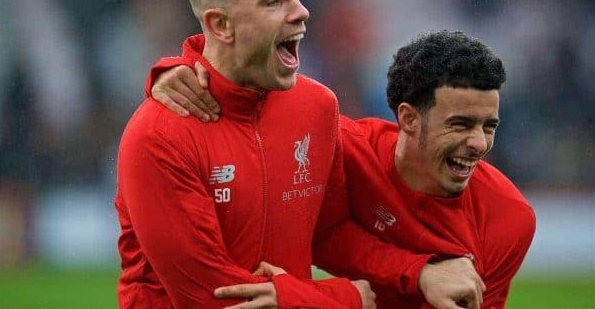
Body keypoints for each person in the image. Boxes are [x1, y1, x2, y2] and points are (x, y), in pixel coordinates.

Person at [117, 0, 484, 309]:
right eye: (275, 0)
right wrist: (344, 299)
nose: (301, 11)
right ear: (221, 25)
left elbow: (330, 234)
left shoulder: (316, 106)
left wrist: (419, 272)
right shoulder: (160, 135)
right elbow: (213, 300)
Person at [148, 30, 536, 308]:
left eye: (489, 126)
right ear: (409, 118)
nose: (479, 144)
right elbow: (248, 104)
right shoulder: (340, 148)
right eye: (461, 124)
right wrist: (176, 70)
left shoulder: (508, 221)